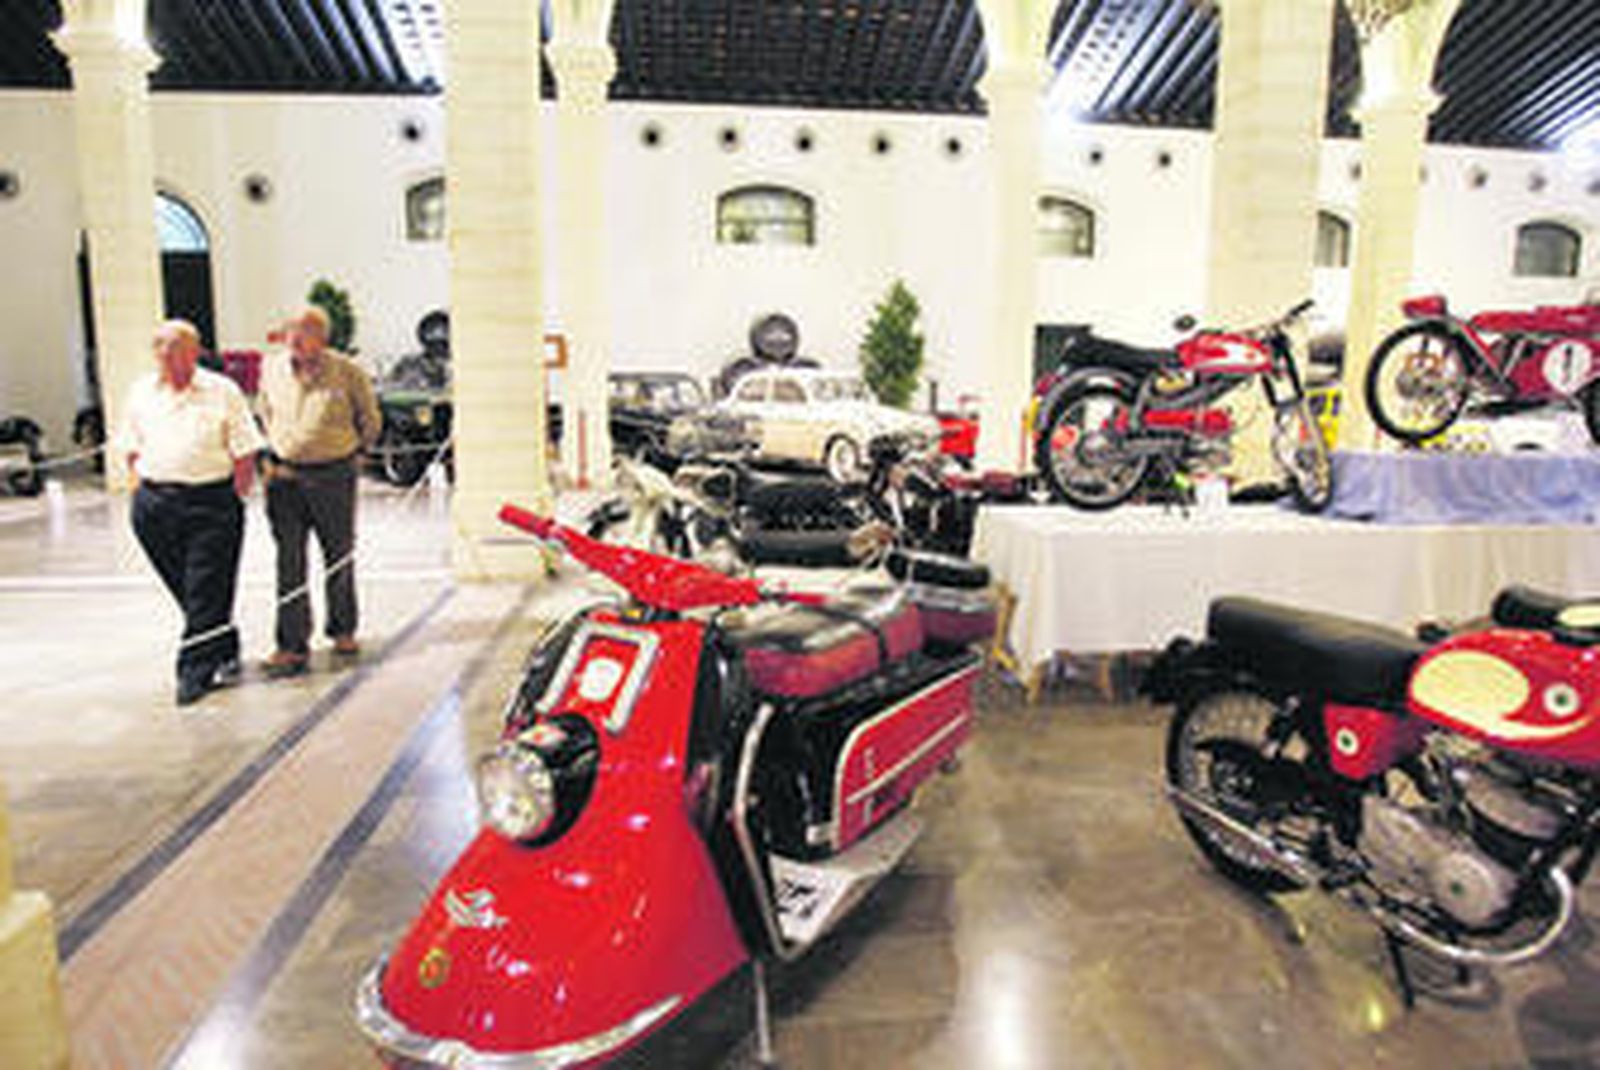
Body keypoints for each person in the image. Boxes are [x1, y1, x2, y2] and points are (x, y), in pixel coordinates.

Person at [120, 320, 264, 705]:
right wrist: (138, 489)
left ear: (194, 351)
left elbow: (245, 451)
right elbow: (130, 446)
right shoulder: (140, 392)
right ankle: (224, 643)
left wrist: (235, 497)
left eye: (174, 348)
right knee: (191, 587)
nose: (165, 355)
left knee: (203, 586)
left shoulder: (222, 391)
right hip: (154, 504)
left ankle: (193, 671)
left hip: (211, 503)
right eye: (159, 348)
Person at [258, 307, 382, 676]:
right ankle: (291, 644)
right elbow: (265, 411)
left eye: (304, 332)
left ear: (323, 338)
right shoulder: (272, 369)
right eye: (290, 332)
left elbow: (370, 420)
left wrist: (355, 453)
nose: (294, 339)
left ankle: (343, 630)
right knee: (289, 561)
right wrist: (278, 447)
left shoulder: (347, 371)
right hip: (284, 478)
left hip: (333, 475)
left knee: (338, 555)